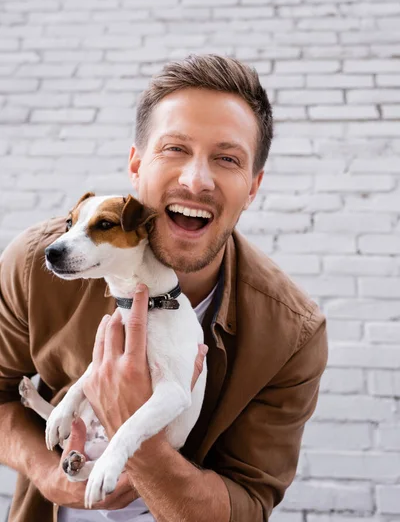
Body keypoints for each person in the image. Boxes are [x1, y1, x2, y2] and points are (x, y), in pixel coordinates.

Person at [0, 54, 328, 522]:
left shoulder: (294, 336)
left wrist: (143, 450)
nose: (196, 180)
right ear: (135, 164)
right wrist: (46, 473)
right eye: (174, 148)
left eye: (227, 158)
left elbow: (248, 506)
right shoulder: (39, 265)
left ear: (253, 187)